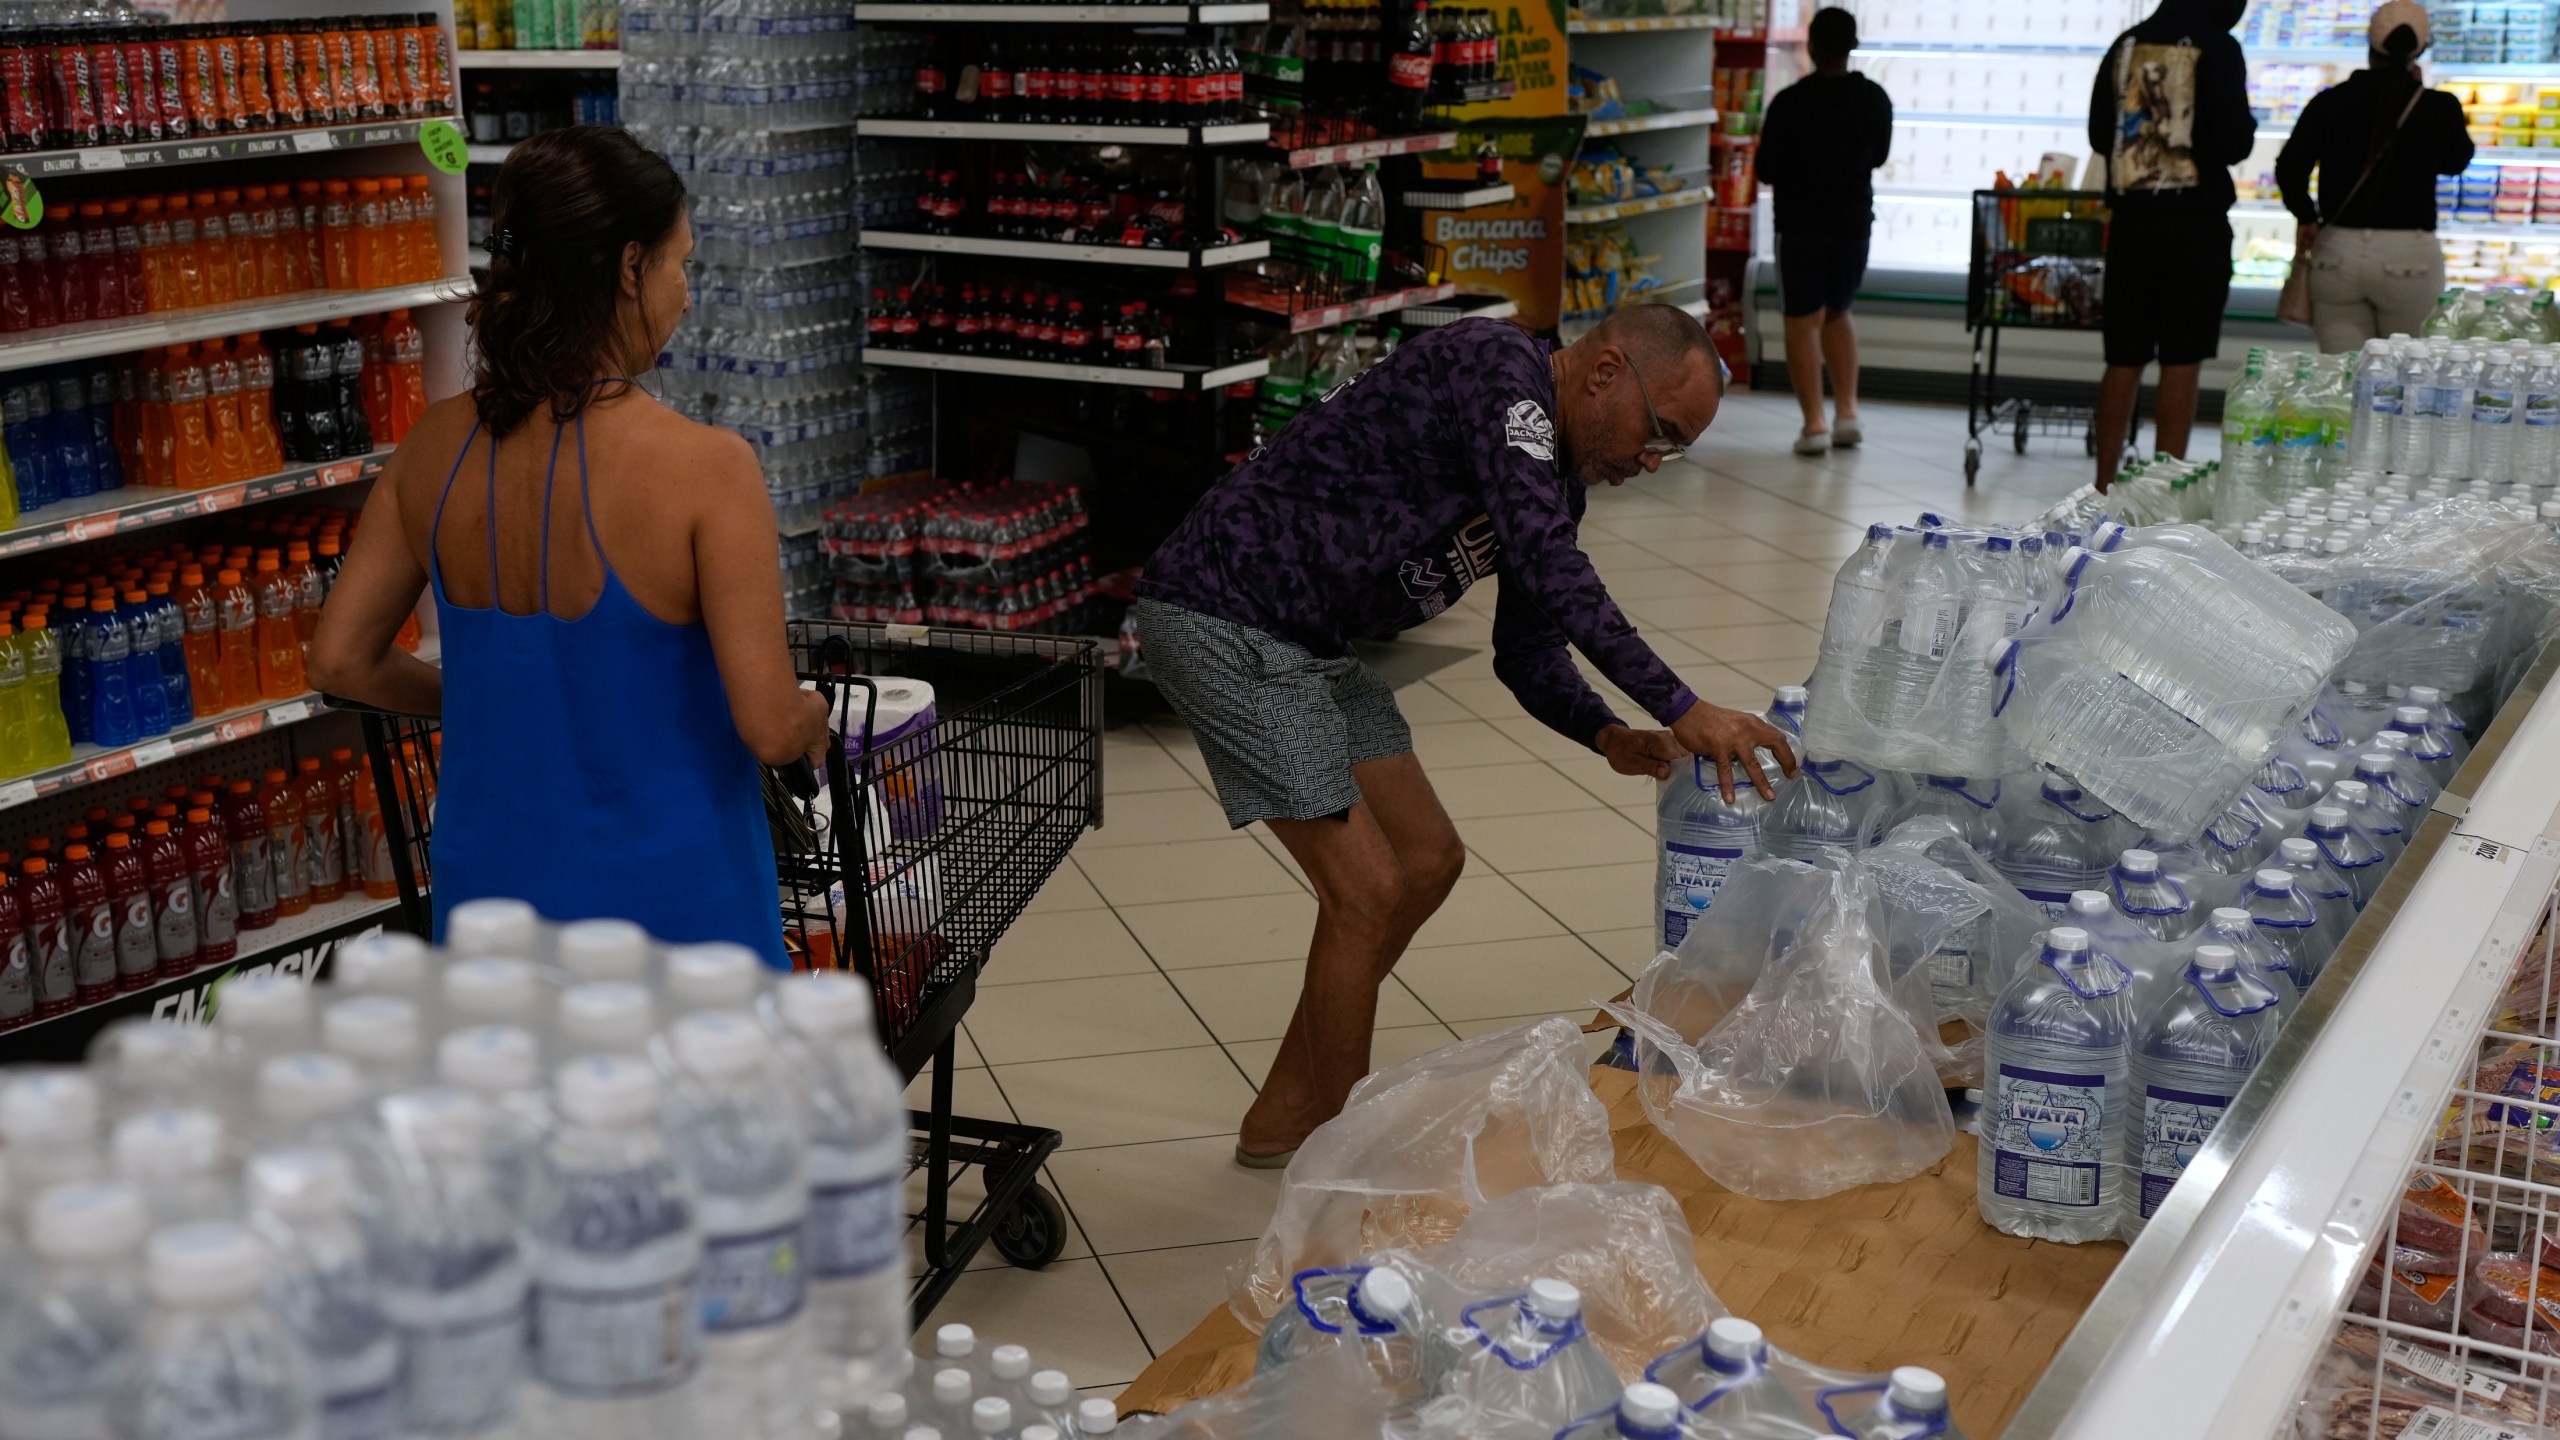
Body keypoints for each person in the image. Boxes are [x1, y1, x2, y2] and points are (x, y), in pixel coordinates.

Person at [1133, 305, 1796, 1165]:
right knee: (1366, 890)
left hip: (1307, 641)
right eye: (1658, 433)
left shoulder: (1556, 477)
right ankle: (1338, 1165)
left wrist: (1603, 730)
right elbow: (1549, 560)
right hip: (1222, 615)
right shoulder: (1499, 372)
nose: (1650, 460)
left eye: (1671, 452)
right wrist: (1681, 703)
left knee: (1428, 859)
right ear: (1603, 373)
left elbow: (1524, 648)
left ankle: (1286, 1113)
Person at [308, 127, 828, 962]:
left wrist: (487, 704)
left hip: (490, 908)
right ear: (629, 269)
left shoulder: (433, 446)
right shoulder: (706, 469)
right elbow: (768, 726)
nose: (685, 293)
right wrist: (815, 715)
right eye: (679, 264)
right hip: (672, 920)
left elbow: (339, 660)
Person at [2087, 0, 2258, 489]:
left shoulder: (2126, 44)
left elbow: (2101, 135)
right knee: (2181, 358)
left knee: (2122, 357)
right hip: (2195, 226)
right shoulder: (2219, 47)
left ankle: (2102, 486)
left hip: (2132, 225)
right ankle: (2162, 490)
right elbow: (2233, 143)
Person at [2276, 2, 2472, 352]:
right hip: (2408, 258)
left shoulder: (2330, 102)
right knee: (2408, 378)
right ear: (2420, 49)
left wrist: (2307, 215)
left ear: (2369, 45)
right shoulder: (2438, 106)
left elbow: (2290, 168)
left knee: (2345, 378)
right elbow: (2456, 161)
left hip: (2336, 253)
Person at [1755, 5, 1893, 457]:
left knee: (1801, 320)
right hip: (1852, 223)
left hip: (1800, 225)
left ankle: (1814, 424)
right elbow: (1878, 157)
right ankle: (1848, 414)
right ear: (1853, 47)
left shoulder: (1789, 103)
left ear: (1811, 47)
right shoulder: (1874, 98)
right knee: (1838, 309)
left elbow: (1767, 169)